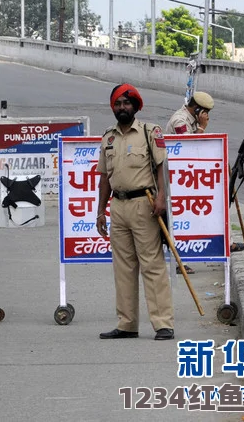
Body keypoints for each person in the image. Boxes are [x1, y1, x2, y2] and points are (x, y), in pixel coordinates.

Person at [95, 83, 175, 341]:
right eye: (118, 104)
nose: (122, 108)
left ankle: (163, 323)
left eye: (126, 103)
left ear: (135, 106)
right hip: (117, 207)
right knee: (123, 267)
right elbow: (105, 178)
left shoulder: (150, 132)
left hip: (145, 204)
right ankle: (127, 324)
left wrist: (162, 198)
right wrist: (100, 211)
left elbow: (162, 167)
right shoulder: (108, 137)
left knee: (152, 265)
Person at [164, 91, 214, 274]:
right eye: (206, 111)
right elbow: (187, 147)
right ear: (198, 108)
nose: (207, 116)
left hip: (185, 177)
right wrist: (202, 127)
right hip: (173, 178)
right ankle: (178, 262)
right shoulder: (180, 120)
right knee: (176, 221)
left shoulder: (191, 119)